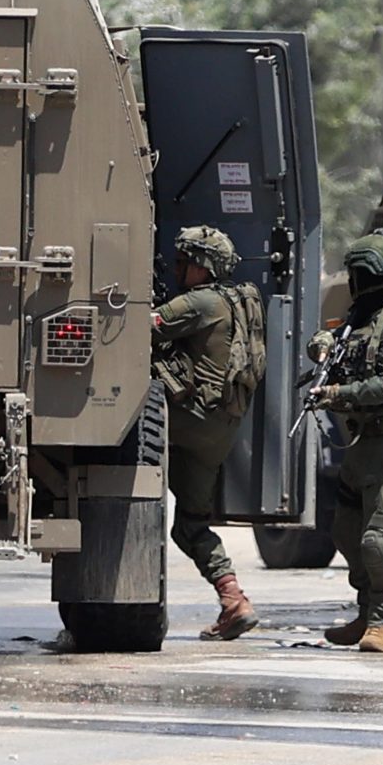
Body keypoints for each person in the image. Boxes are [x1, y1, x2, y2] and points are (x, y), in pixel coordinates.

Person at [305, 229, 383, 654]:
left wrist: (338, 394)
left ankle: (382, 622)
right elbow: (334, 343)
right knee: (346, 533)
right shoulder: (360, 318)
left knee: (378, 540)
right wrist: (322, 346)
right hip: (360, 447)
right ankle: (365, 612)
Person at [151, 225, 265, 640]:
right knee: (189, 525)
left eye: (184, 262)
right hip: (221, 429)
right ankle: (234, 600)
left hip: (188, 418)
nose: (179, 268)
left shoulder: (200, 301)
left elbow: (145, 327)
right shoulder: (241, 300)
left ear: (203, 266)